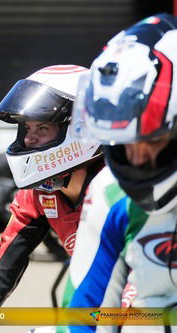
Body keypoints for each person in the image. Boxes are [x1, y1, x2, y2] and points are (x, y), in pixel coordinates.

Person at [68, 14, 177, 332]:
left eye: (153, 139)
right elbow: (81, 312)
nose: (137, 158)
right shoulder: (109, 192)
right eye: (126, 141)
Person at [0, 65, 104, 309]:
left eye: (43, 128)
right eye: (27, 128)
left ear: (80, 128)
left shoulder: (118, 189)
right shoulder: (37, 194)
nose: (28, 139)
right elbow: (4, 265)